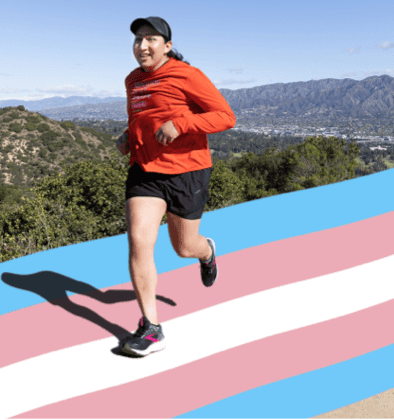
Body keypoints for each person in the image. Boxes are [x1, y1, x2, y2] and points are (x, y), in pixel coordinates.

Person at [117, 16, 236, 357]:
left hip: (187, 173)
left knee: (184, 247)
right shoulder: (132, 81)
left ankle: (207, 252)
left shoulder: (187, 74)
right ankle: (151, 327)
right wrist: (129, 137)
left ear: (167, 46)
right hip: (145, 173)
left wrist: (181, 124)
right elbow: (143, 117)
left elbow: (226, 116)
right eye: (138, 39)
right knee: (139, 241)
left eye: (150, 39)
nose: (142, 45)